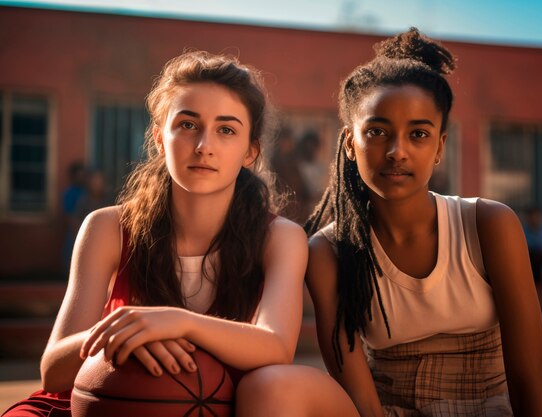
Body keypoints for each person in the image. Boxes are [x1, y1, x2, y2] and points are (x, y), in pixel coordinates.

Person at [3, 51, 356, 417]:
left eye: (226, 130)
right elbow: (53, 370)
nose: (204, 145)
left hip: (219, 404)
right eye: (188, 125)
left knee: (280, 385)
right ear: (158, 137)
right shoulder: (108, 227)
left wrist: (177, 322)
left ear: (250, 152)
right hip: (106, 402)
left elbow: (277, 346)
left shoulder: (279, 237)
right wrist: (127, 332)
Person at [305, 28, 542, 417]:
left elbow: (530, 389)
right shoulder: (328, 253)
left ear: (440, 145)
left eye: (419, 134)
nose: (397, 152)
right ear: (348, 142)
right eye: (376, 132)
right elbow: (363, 405)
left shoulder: (489, 225)